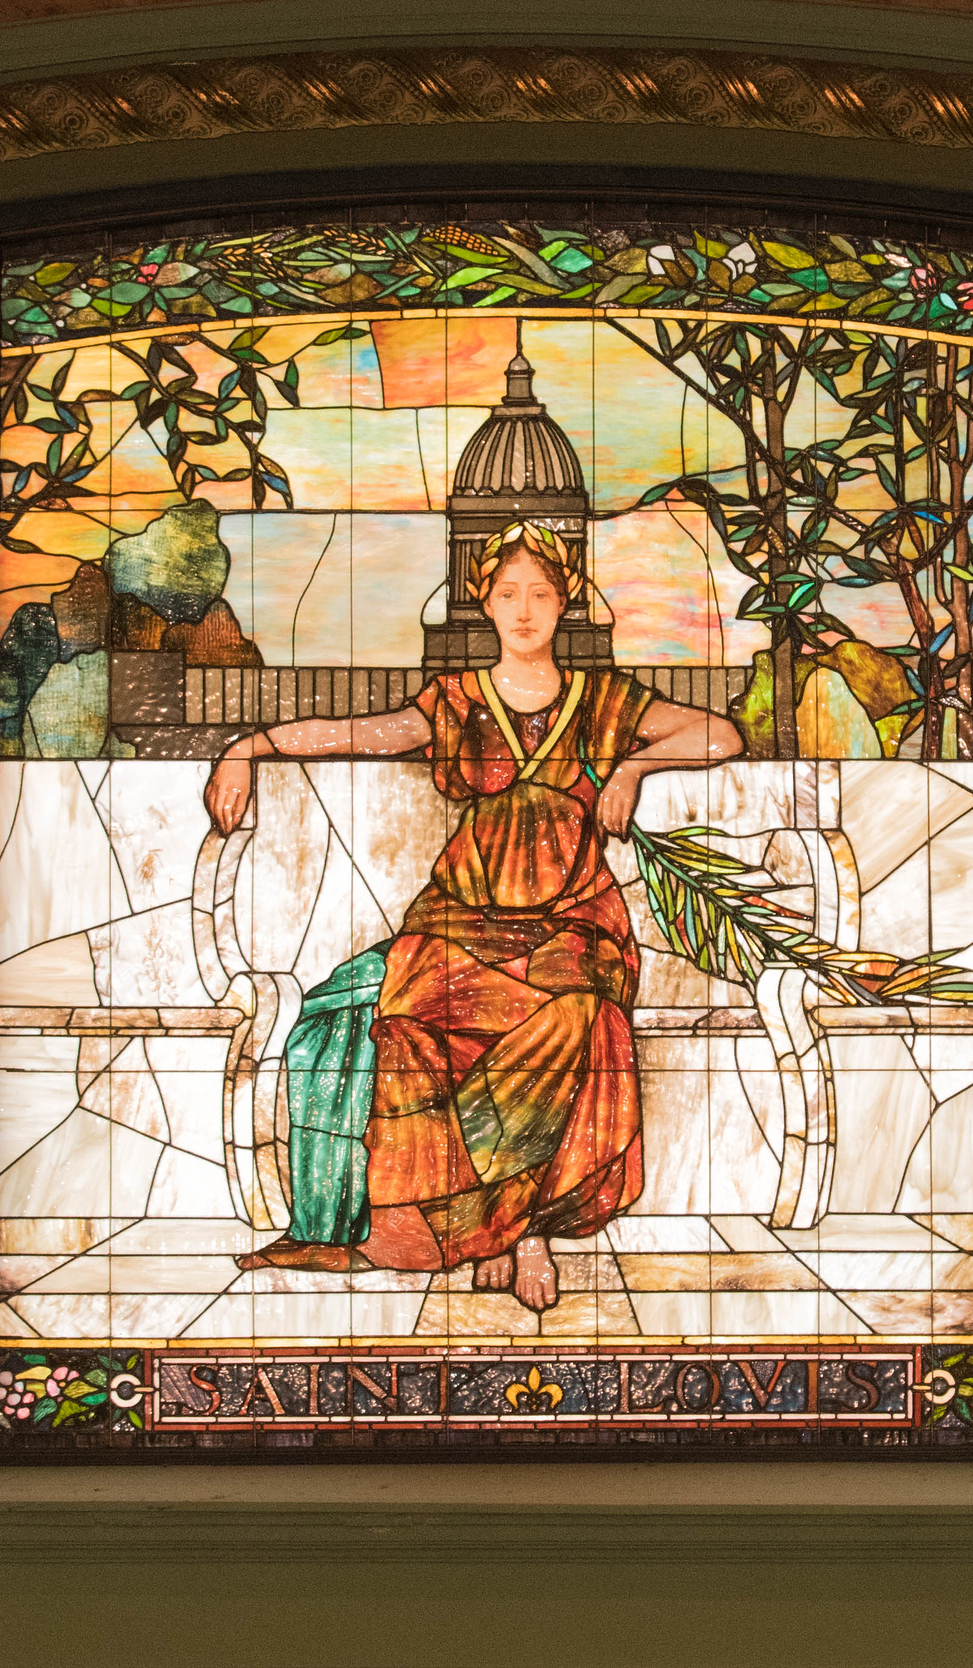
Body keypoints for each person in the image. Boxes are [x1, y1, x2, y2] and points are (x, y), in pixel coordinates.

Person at [205, 522, 742, 1313]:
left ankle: (527, 1232)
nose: (524, 611)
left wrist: (634, 766)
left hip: (570, 926)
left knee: (580, 1020)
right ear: (483, 603)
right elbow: (357, 733)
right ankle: (477, 1232)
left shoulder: (604, 701)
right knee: (406, 1027)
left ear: (565, 603)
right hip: (459, 922)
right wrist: (247, 747)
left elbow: (722, 733)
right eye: (508, 594)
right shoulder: (458, 701)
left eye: (540, 594)